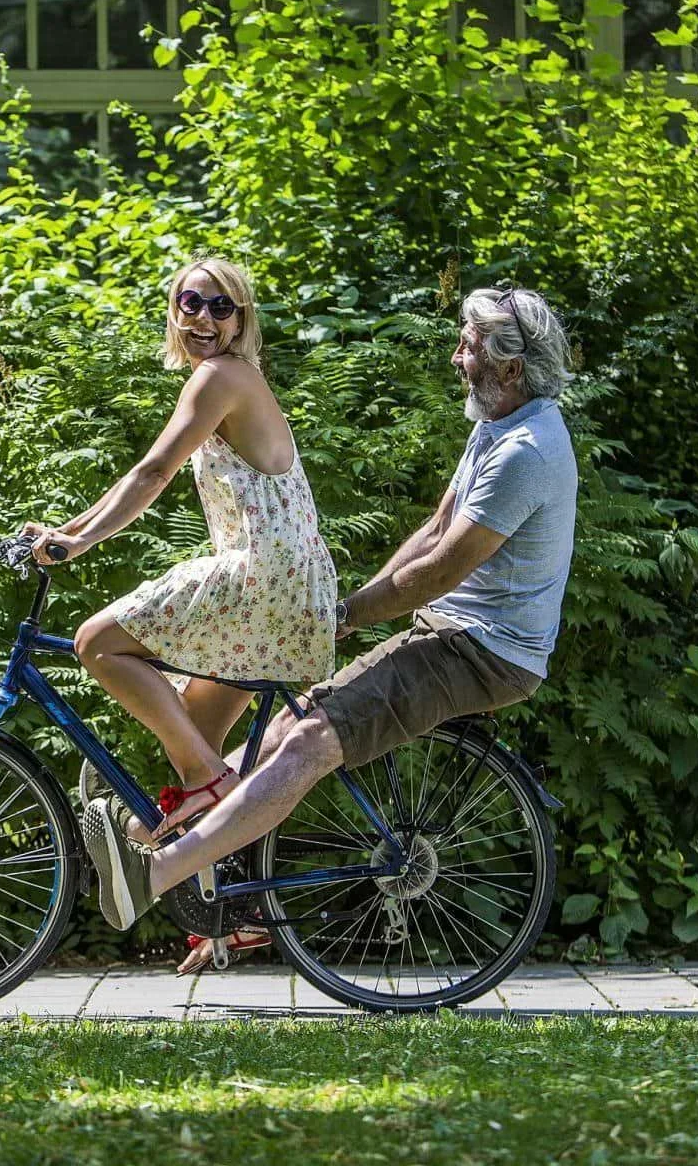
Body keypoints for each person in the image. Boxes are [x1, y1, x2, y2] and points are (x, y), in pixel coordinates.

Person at [81, 286, 578, 950]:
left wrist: (350, 611)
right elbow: (433, 531)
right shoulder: (498, 426)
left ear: (512, 367)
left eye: (470, 346)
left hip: (486, 651)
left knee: (312, 741)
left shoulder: (527, 452)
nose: (457, 356)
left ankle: (158, 874)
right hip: (450, 632)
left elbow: (440, 571)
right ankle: (151, 834)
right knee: (287, 724)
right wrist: (352, 610)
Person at [23, 255, 337, 965]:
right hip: (288, 586)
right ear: (174, 309)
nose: (203, 318)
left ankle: (202, 784)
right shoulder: (227, 378)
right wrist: (66, 533)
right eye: (192, 302)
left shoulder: (221, 377)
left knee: (98, 643)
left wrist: (74, 544)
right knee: (197, 738)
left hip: (265, 577)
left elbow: (152, 471)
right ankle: (242, 912)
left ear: (241, 321)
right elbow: (145, 472)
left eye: (221, 308)